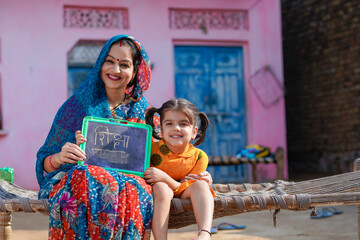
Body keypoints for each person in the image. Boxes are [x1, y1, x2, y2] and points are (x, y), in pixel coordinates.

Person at [36, 35, 154, 239]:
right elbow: (45, 162)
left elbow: (168, 159)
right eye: (109, 61)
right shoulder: (76, 107)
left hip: (130, 189)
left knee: (129, 187)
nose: (115, 70)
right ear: (100, 64)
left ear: (135, 72)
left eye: (124, 64)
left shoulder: (146, 115)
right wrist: (59, 158)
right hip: (81, 182)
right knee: (84, 174)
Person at [143, 98, 215, 240]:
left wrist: (164, 177)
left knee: (201, 184)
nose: (176, 128)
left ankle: (204, 234)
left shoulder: (199, 156)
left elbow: (185, 187)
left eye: (183, 124)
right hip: (158, 195)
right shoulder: (150, 151)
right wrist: (164, 181)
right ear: (161, 130)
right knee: (161, 187)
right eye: (169, 123)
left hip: (184, 193)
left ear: (194, 132)